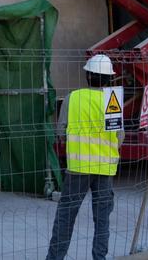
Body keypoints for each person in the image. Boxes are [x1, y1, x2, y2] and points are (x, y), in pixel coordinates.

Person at [46, 54, 120, 260]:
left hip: (78, 168)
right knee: (102, 218)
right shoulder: (112, 100)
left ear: (88, 76)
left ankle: (54, 258)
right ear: (108, 79)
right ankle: (99, 257)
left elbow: (60, 132)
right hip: (105, 169)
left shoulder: (73, 98)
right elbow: (119, 136)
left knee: (66, 216)